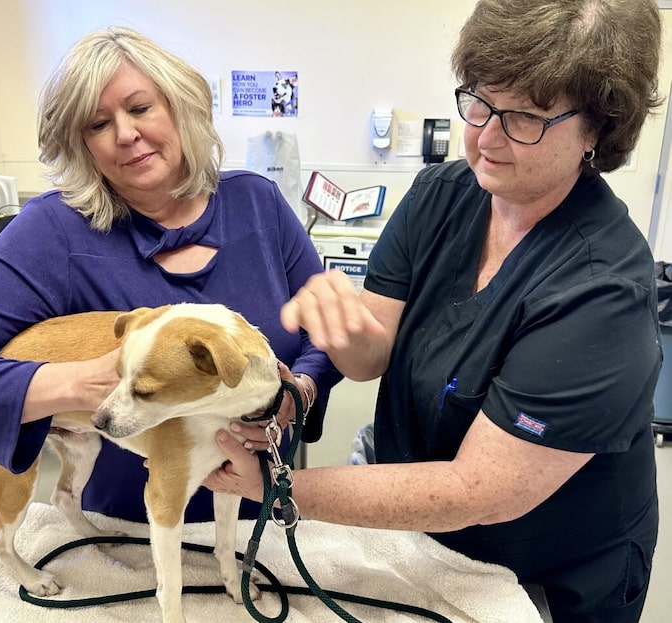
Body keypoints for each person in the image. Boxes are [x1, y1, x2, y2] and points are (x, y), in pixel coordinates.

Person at [205, 1, 662, 621]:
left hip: (547, 570)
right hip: (422, 543)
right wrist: (338, 333)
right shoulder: (441, 195)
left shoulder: (601, 289)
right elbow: (373, 358)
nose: (487, 136)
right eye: (478, 100)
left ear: (597, 131)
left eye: (525, 116)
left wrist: (275, 486)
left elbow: (480, 489)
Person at [0, 26, 340, 523]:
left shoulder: (258, 204)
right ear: (81, 144)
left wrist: (299, 392)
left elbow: (324, 333)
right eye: (98, 124)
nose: (126, 134)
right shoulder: (53, 232)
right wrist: (88, 381)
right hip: (125, 534)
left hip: (263, 517)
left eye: (141, 108)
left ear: (181, 107)